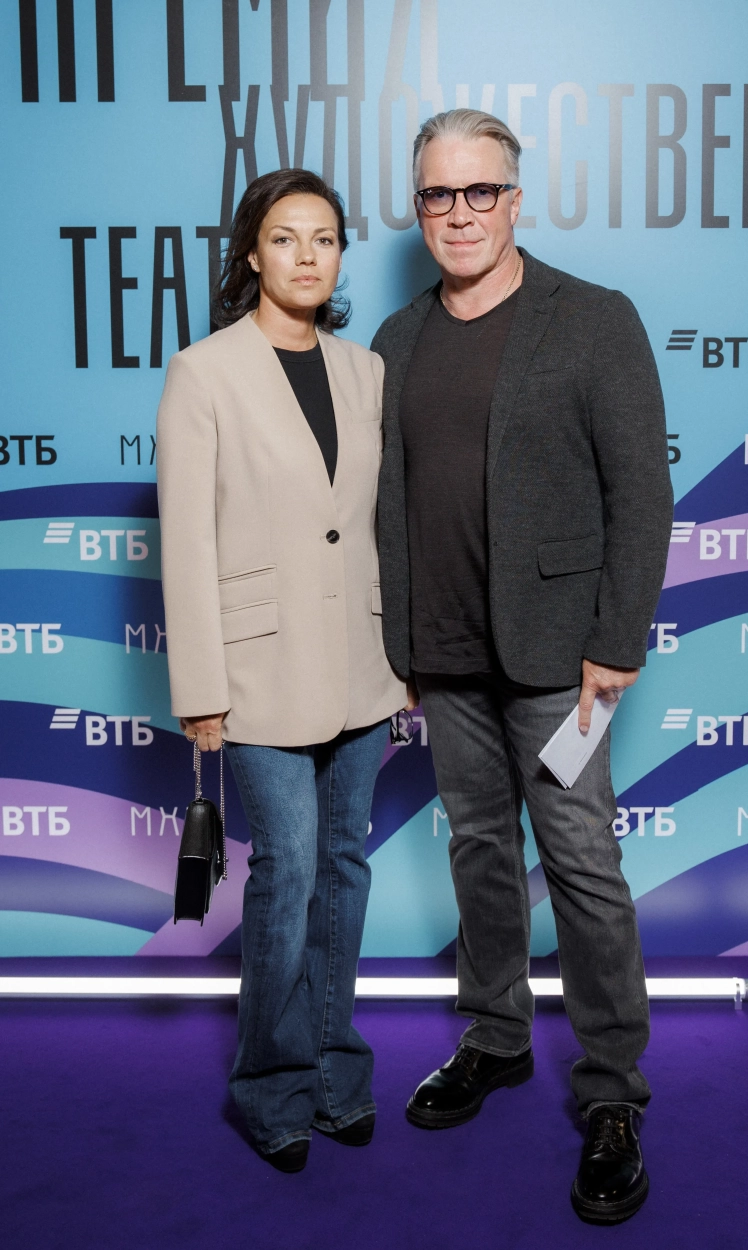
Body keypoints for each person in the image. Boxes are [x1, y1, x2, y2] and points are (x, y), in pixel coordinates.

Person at [372, 110, 673, 1225]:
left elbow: (641, 492)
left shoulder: (592, 318)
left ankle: (613, 1091)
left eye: (479, 192)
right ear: (418, 207)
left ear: (514, 198)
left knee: (583, 864)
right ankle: (496, 1036)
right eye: (436, 195)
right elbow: (388, 504)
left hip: (560, 662)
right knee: (479, 851)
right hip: (444, 653)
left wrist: (616, 641)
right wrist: (398, 646)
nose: (458, 214)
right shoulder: (396, 338)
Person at [157, 168, 408, 1174]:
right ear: (251, 254)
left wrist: (406, 654)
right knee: (290, 866)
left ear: (341, 256)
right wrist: (201, 689)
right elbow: (186, 539)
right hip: (257, 670)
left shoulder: (366, 370)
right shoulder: (203, 371)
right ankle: (271, 1085)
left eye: (325, 238)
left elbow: (379, 525)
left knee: (345, 865)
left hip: (363, 663)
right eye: (284, 237)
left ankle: (339, 1075)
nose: (307, 255)